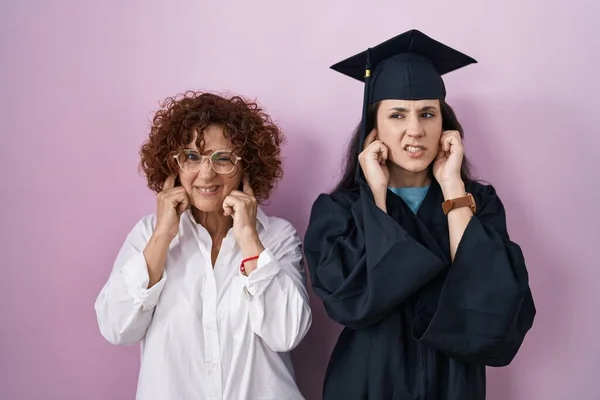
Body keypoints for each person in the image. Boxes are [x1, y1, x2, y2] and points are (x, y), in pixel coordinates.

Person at [304, 29, 536, 400]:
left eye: (427, 113)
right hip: (368, 383)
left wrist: (452, 188)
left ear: (444, 126)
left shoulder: (479, 201)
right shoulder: (339, 211)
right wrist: (375, 191)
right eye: (397, 115)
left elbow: (495, 305)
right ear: (374, 128)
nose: (416, 130)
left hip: (454, 383)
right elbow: (352, 302)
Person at [94, 91, 312, 400]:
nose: (206, 174)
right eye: (192, 157)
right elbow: (116, 328)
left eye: (223, 159)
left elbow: (286, 333)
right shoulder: (147, 234)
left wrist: (249, 236)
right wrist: (163, 235)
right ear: (174, 165)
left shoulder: (276, 236)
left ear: (246, 167)